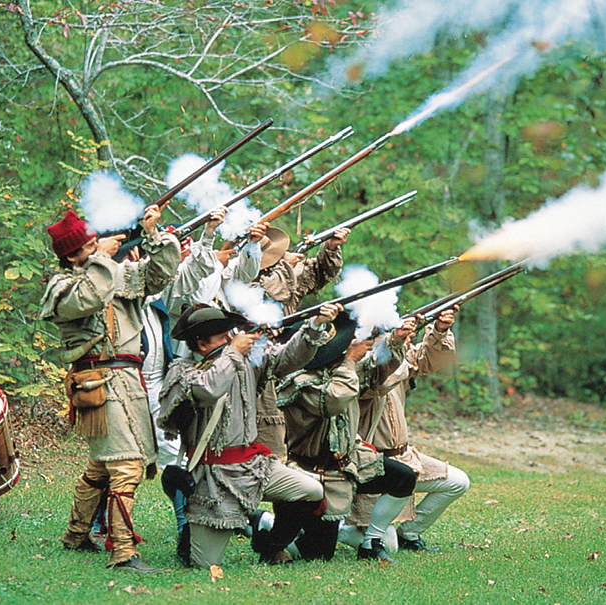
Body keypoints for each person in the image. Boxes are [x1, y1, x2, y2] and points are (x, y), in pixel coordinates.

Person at [39, 204, 180, 573]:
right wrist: (101, 258)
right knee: (126, 466)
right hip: (99, 380)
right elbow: (90, 296)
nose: (99, 249)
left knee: (102, 466)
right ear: (71, 255)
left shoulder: (112, 272)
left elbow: (161, 273)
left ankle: (76, 534)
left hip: (126, 380)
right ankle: (123, 552)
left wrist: (153, 235)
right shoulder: (64, 286)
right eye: (88, 246)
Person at [156, 303, 338, 569]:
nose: (231, 339)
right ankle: (189, 538)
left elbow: (290, 358)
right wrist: (233, 352)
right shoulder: (183, 371)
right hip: (212, 476)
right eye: (223, 337)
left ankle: (271, 544)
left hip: (251, 466)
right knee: (204, 565)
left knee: (310, 490)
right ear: (202, 344)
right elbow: (210, 389)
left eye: (230, 335)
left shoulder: (244, 359)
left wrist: (314, 325)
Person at [139, 207, 267, 563]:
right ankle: (187, 524)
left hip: (219, 364)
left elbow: (238, 275)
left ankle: (233, 514)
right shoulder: (179, 272)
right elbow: (193, 273)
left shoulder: (214, 269)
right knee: (177, 455)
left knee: (197, 451)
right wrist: (209, 233)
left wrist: (253, 245)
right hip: (189, 368)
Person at [275, 313, 418, 564]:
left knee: (403, 478)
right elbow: (334, 400)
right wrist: (350, 360)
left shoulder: (340, 369)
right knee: (318, 554)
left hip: (350, 462)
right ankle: (263, 526)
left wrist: (395, 340)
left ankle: (371, 542)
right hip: (316, 473)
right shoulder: (300, 381)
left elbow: (377, 372)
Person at [342, 307, 469, 553]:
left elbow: (432, 361)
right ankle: (333, 532)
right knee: (387, 547)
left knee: (457, 482)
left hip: (404, 457)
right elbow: (378, 381)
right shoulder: (359, 366)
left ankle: (409, 532)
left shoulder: (400, 356)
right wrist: (396, 342)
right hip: (372, 463)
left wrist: (440, 330)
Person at [252, 226, 349, 461]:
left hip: (285, 355)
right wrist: (286, 263)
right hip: (255, 356)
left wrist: (331, 246)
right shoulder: (249, 279)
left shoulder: (283, 273)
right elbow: (272, 289)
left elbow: (319, 273)